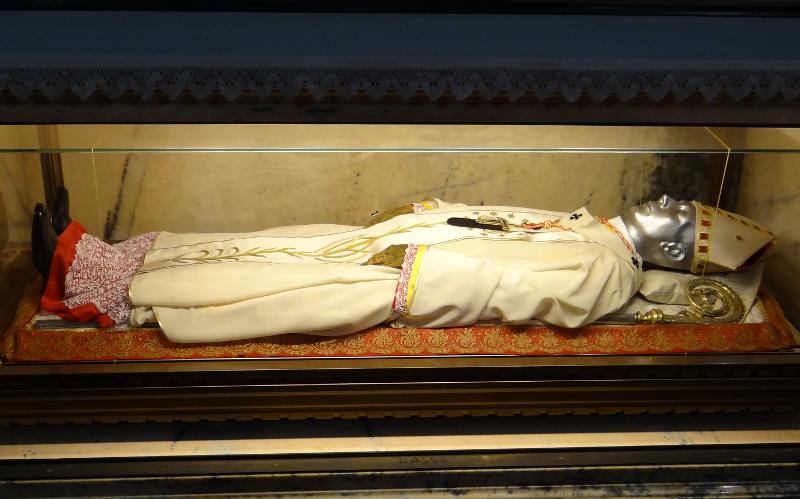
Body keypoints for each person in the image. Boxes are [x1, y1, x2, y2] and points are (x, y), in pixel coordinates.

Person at [32, 189, 774, 343]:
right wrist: (442, 210)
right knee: (257, 239)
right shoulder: (595, 227)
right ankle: (87, 251)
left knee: (247, 280)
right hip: (407, 243)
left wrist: (412, 269)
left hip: (404, 277)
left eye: (677, 216)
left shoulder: (610, 269)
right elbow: (510, 222)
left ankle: (94, 287)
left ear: (675, 247)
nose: (665, 204)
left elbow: (509, 285)